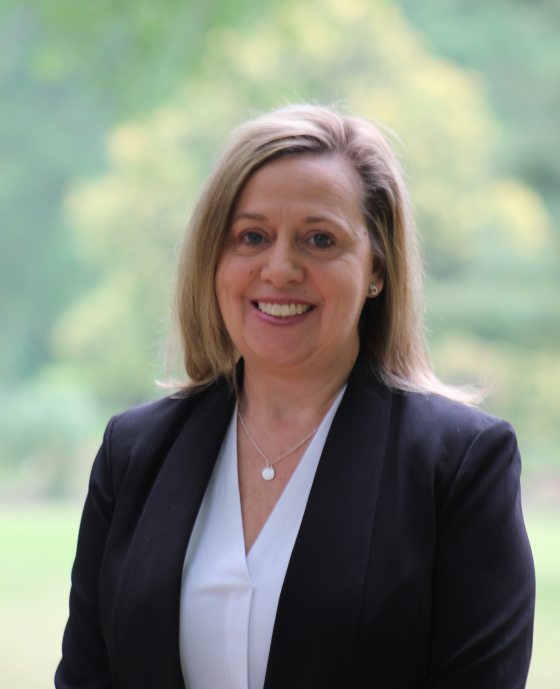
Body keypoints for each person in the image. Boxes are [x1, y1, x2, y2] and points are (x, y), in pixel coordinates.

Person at [55, 105, 535, 689]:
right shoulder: (134, 452)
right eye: (251, 237)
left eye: (319, 239)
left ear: (376, 267)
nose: (280, 269)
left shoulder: (459, 465)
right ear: (215, 260)